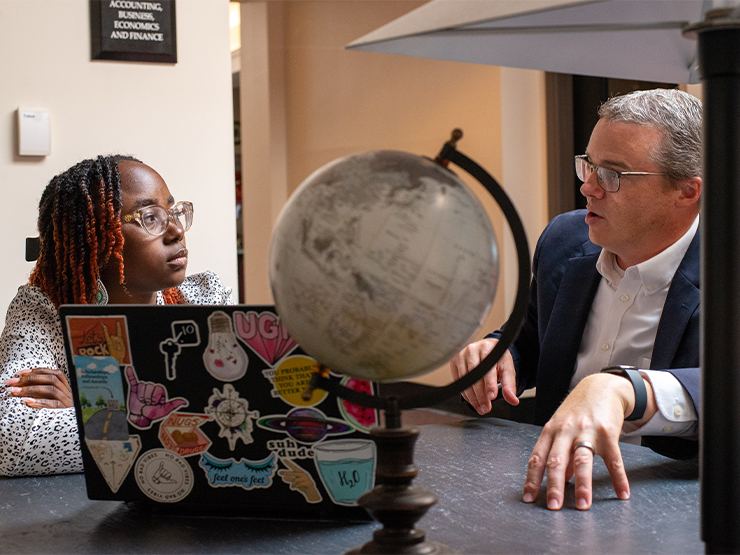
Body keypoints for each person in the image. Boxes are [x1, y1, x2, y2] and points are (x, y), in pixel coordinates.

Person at [450, 88, 702, 511]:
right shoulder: (564, 241)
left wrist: (624, 390)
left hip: (677, 505)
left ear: (686, 191)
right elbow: (532, 337)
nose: (587, 187)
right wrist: (497, 353)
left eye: (612, 175)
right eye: (588, 166)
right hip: (553, 492)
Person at [0, 155, 234, 476]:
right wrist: (167, 425)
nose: (177, 230)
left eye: (174, 211)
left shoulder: (204, 300)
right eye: (150, 216)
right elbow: (14, 442)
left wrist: (91, 410)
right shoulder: (43, 311)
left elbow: (232, 423)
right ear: (96, 241)